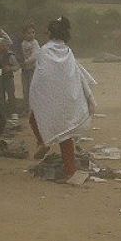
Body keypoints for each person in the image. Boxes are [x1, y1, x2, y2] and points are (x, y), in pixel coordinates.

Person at [28, 17, 97, 180]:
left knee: (34, 119)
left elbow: (41, 77)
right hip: (68, 98)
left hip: (50, 98)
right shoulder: (67, 51)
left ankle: (42, 142)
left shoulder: (44, 50)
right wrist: (88, 97)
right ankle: (70, 170)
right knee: (66, 135)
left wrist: (37, 97)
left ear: (50, 33)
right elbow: (77, 74)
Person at [19, 22, 41, 109]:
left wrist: (25, 62)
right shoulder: (22, 44)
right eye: (29, 33)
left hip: (33, 69)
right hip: (25, 70)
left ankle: (34, 108)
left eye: (33, 32)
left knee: (33, 89)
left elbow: (35, 55)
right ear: (23, 34)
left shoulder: (35, 43)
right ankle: (26, 107)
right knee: (25, 89)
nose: (31, 35)